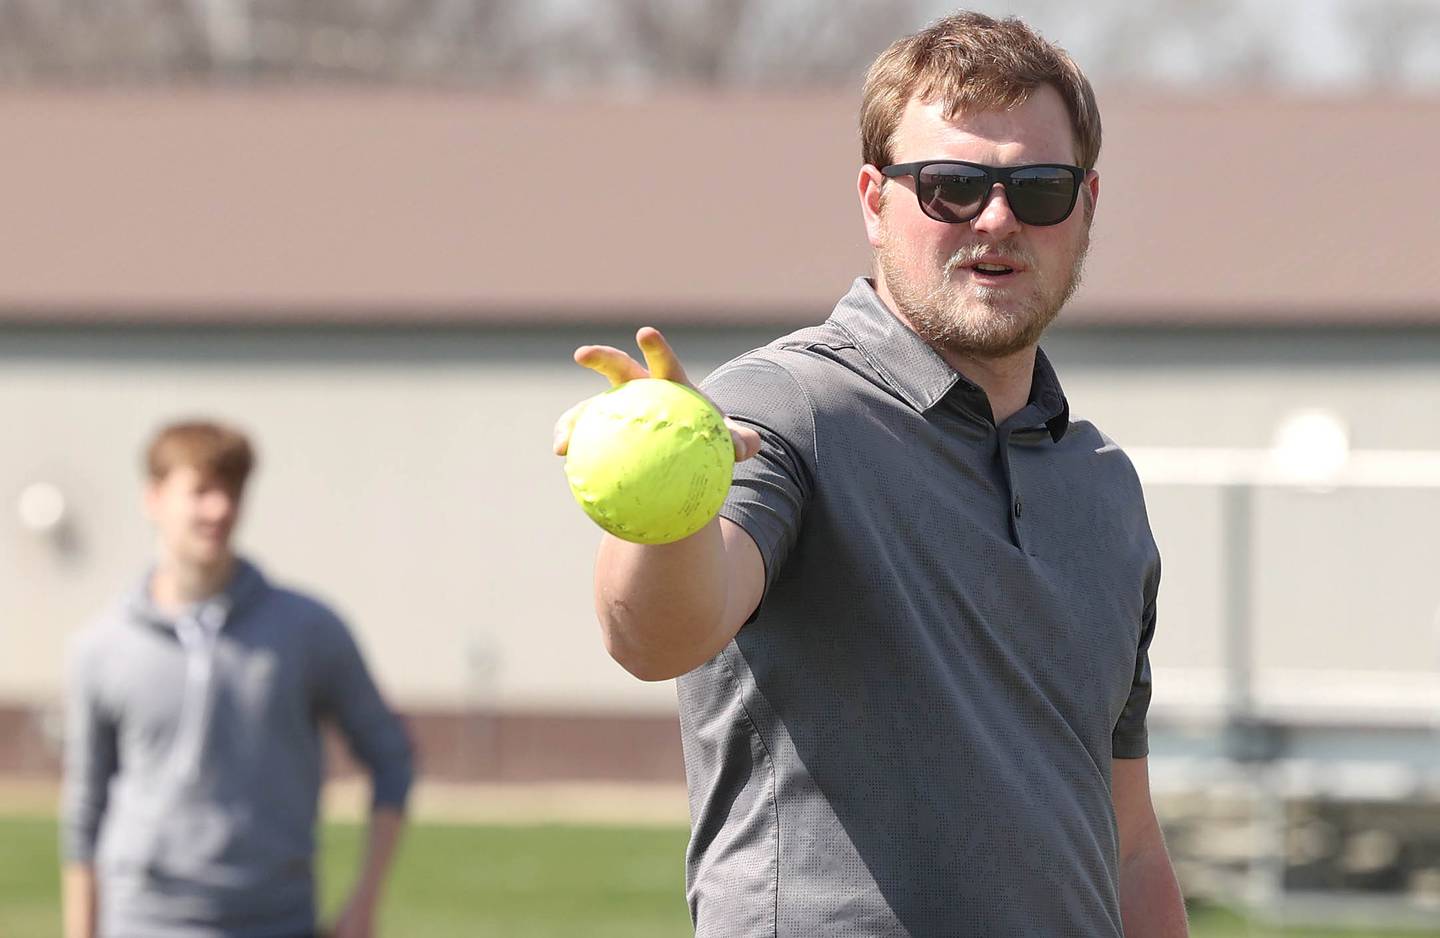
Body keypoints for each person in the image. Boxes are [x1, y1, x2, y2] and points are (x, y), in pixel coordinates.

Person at [553, 11, 1188, 937]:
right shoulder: (783, 408)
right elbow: (654, 636)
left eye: (1038, 188)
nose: (997, 217)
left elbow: (1128, 839)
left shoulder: (1101, 484)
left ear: (1087, 204)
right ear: (873, 199)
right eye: (951, 187)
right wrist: (664, 509)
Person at [61, 420, 414, 938]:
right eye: (201, 490)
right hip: (144, 919)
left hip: (275, 919)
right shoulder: (102, 647)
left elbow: (391, 758)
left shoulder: (307, 629)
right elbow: (85, 808)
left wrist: (364, 902)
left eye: (232, 490)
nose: (220, 509)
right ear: (153, 498)